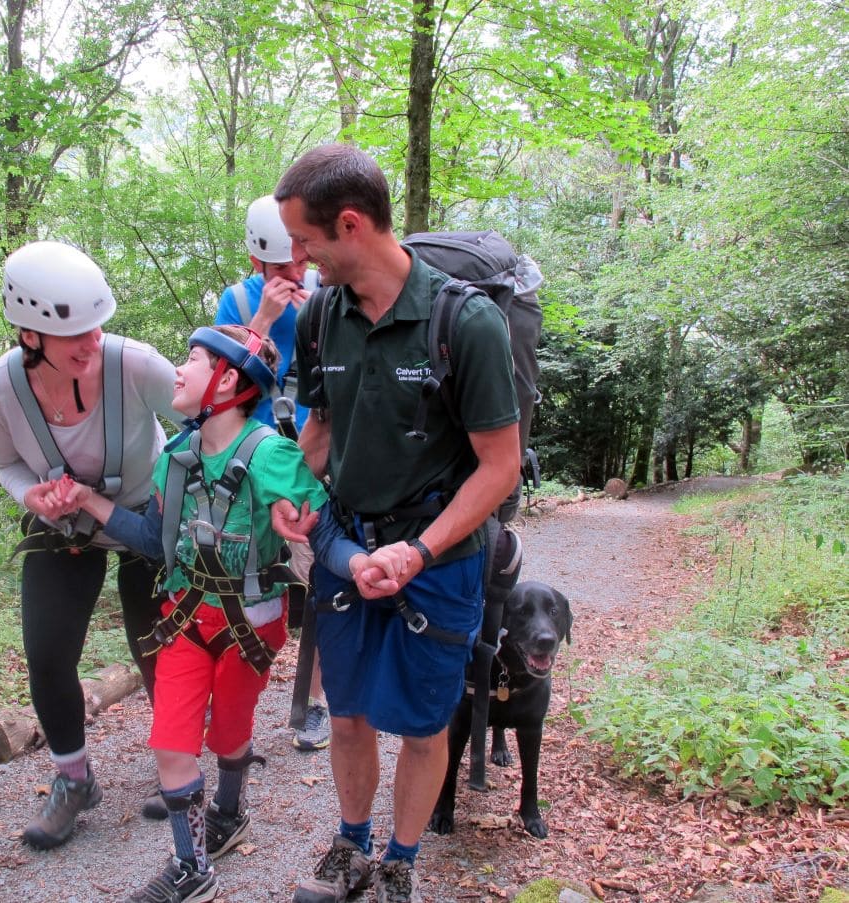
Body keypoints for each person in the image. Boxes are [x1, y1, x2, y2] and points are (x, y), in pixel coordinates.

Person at [274, 145, 524, 903]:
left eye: (305, 240)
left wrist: (419, 550)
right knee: (346, 714)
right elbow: (318, 432)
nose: (297, 257)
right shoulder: (323, 314)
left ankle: (400, 858)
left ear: (350, 225)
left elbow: (499, 465)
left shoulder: (465, 322)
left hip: (438, 562)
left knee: (422, 725)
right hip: (347, 550)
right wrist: (290, 493)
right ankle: (351, 845)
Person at [41, 325, 367, 903]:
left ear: (229, 380)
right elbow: (151, 538)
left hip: (250, 624)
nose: (179, 370)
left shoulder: (273, 456)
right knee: (171, 739)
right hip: (185, 617)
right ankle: (191, 866)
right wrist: (89, 500)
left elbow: (326, 530)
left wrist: (359, 563)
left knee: (230, 734)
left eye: (192, 359)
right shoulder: (175, 458)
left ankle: (231, 808)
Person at [0, 240, 181, 851]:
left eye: (97, 329)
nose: (92, 345)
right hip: (66, 528)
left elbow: (207, 423)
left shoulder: (136, 366)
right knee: (47, 651)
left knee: (155, 644)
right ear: (29, 335)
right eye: (74, 339)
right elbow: (7, 465)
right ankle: (73, 776)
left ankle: (177, 762)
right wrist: (31, 498)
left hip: (145, 512)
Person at [215, 194, 330, 753]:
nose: (297, 273)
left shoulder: (327, 297)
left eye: (303, 260)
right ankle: (234, 711)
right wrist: (262, 321)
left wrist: (315, 313)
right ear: (258, 261)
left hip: (310, 461)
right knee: (239, 585)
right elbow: (220, 386)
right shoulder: (235, 301)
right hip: (248, 463)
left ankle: (313, 703)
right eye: (284, 268)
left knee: (320, 581)